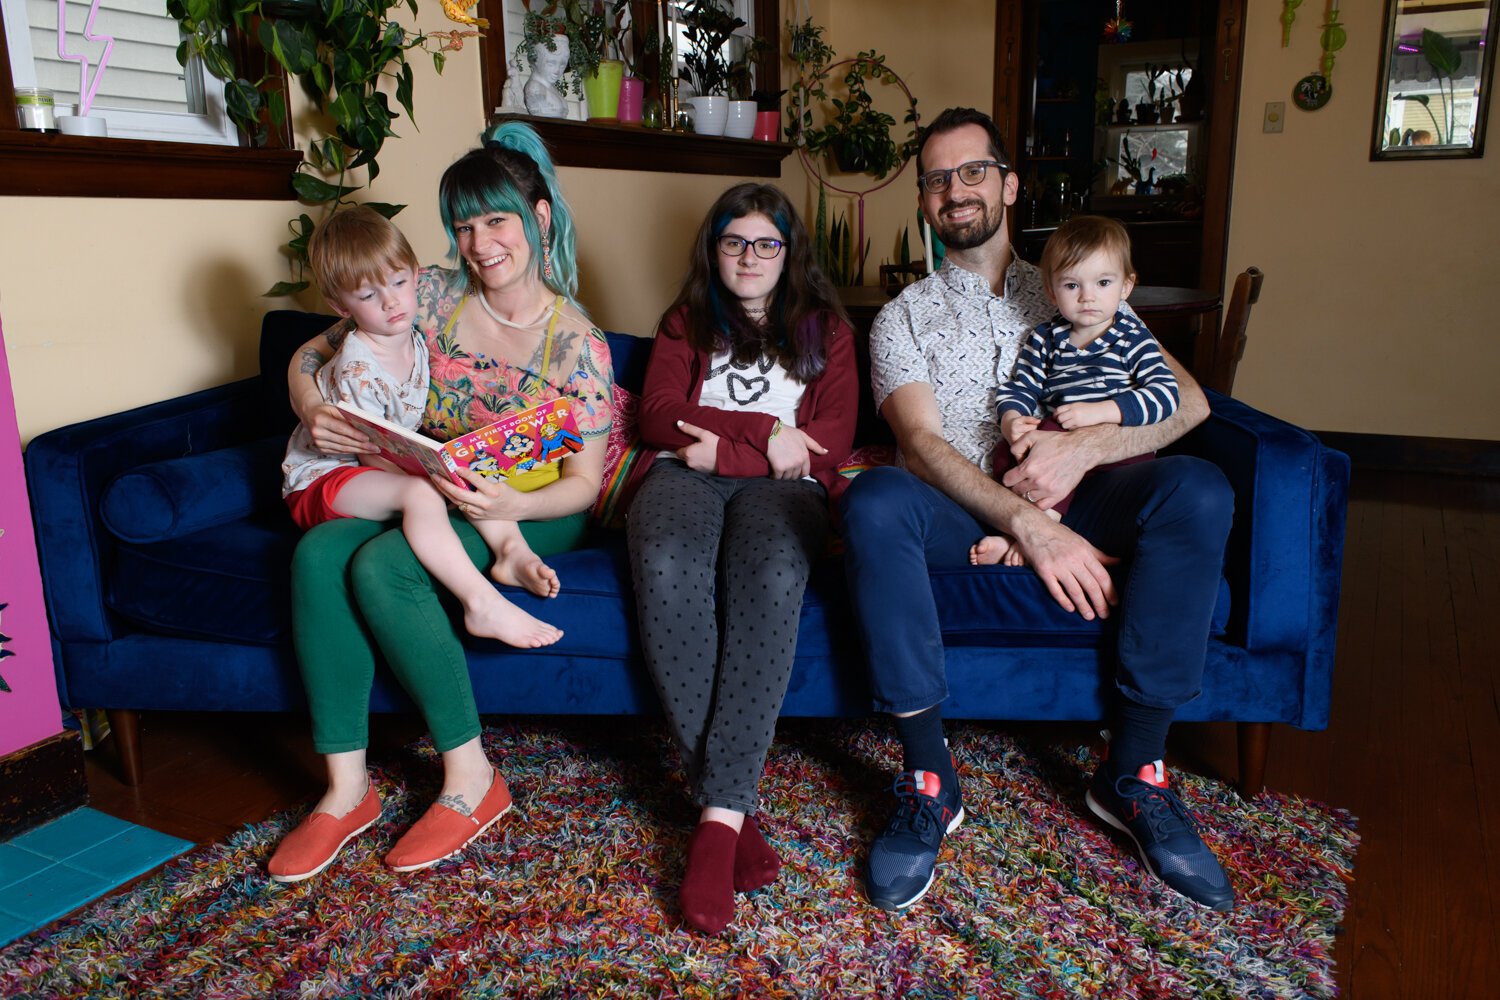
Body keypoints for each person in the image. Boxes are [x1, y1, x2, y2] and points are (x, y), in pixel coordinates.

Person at [841, 106, 1236, 913]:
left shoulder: (1075, 280)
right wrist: (1027, 524)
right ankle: (928, 778)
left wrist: (1079, 453)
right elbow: (918, 446)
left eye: (973, 171)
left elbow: (1187, 404)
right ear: (923, 200)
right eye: (938, 178)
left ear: (1009, 184)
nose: (956, 190)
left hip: (1088, 498)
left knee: (1197, 488)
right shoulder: (901, 317)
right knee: (878, 495)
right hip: (959, 512)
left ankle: (1134, 773)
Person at [267, 121, 614, 883]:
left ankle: (472, 779)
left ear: (540, 218)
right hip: (435, 478)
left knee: (382, 568)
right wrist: (305, 403)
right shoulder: (428, 291)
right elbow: (313, 350)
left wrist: (504, 512)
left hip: (530, 504)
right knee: (318, 552)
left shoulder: (577, 343)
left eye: (497, 221)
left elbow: (584, 483)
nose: (480, 243)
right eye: (463, 226)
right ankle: (345, 790)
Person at [627, 183, 858, 934]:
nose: (750, 257)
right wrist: (762, 429)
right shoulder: (686, 320)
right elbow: (655, 414)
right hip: (682, 477)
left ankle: (716, 818)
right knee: (662, 559)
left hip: (781, 492)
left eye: (767, 243)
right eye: (735, 242)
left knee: (772, 572)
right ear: (714, 249)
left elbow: (833, 445)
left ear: (790, 252)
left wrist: (726, 450)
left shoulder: (826, 329)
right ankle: (732, 812)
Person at [280, 206, 565, 648]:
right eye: (369, 296)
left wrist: (441, 466)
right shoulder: (358, 367)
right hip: (323, 478)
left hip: (378, 464)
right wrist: (430, 472)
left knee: (464, 472)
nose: (391, 302)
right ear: (340, 307)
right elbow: (369, 450)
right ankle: (479, 602)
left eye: (398, 284)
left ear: (415, 277)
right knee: (425, 490)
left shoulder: (413, 329)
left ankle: (513, 552)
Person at [971, 214, 1178, 566]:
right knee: (1009, 452)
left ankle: (1037, 531)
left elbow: (1165, 394)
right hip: (1059, 440)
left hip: (1117, 452)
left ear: (1126, 287)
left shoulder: (1133, 338)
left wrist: (1103, 411)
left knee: (1054, 437)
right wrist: (1012, 419)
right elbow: (1020, 386)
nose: (1087, 297)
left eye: (1102, 282)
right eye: (1071, 286)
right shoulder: (1045, 339)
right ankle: (1029, 530)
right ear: (1051, 291)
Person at [524, 37, 571, 118]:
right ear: (536, 61)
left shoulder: (550, 87)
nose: (557, 71)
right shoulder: (534, 88)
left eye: (562, 65)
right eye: (551, 63)